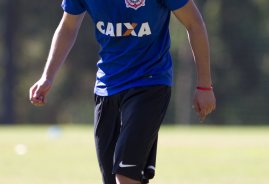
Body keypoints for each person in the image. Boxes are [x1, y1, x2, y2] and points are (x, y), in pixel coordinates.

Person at [29, 0, 216, 183]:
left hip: (149, 82)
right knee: (113, 178)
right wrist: (48, 76)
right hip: (106, 88)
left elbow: (194, 23)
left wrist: (204, 86)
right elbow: (68, 27)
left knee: (125, 175)